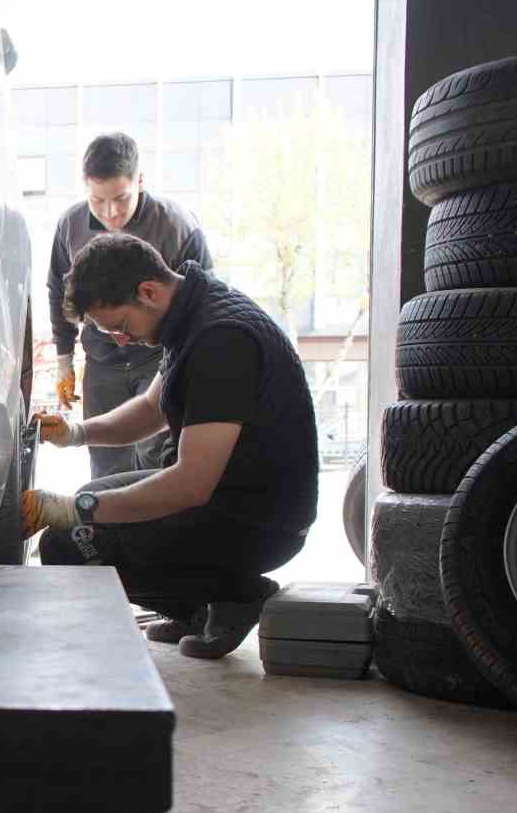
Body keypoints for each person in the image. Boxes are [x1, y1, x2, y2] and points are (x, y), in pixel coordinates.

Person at [22, 234, 318, 659]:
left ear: (148, 291)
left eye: (122, 327)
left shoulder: (221, 339)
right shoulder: (192, 315)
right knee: (87, 507)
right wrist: (75, 433)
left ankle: (236, 593)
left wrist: (74, 510)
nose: (121, 341)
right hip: (231, 497)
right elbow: (150, 410)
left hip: (258, 522)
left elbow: (190, 485)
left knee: (66, 542)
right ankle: (193, 610)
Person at [47, 133, 212, 479]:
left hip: (158, 356)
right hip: (102, 360)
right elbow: (59, 292)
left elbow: (202, 301)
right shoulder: (69, 226)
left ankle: (147, 513)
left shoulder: (177, 226)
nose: (110, 213)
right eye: (98, 200)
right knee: (104, 461)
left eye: (120, 199)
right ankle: (105, 513)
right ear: (85, 186)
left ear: (140, 181)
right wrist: (64, 360)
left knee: (154, 455)